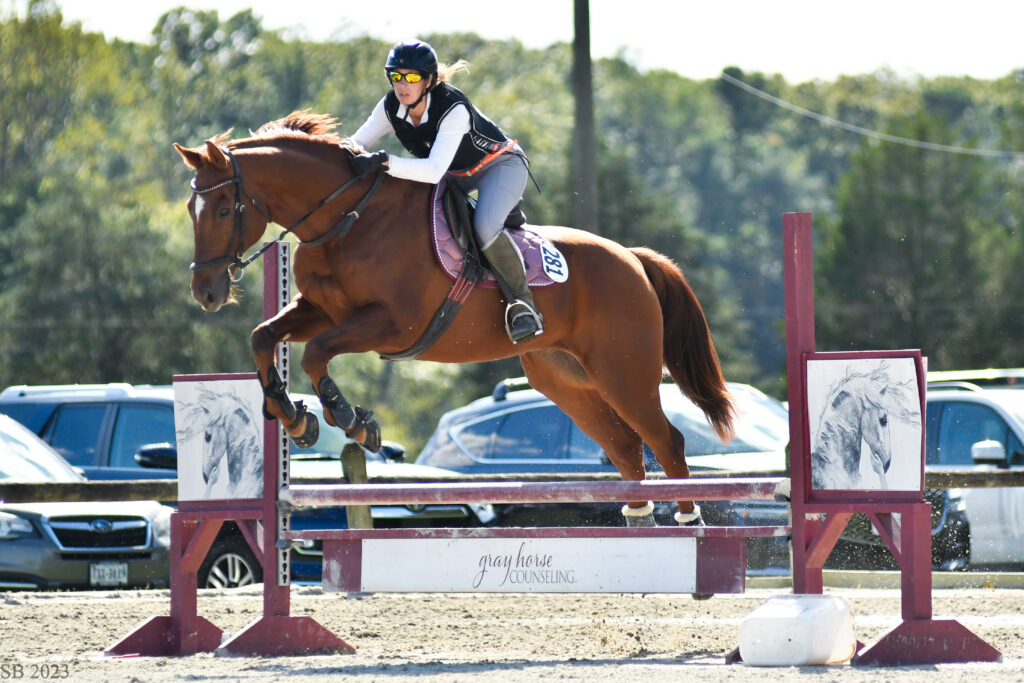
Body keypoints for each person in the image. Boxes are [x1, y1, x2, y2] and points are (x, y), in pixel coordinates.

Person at [349, 40, 543, 344]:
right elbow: (356, 143)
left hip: (500, 165)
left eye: (411, 77)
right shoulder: (390, 106)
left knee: (484, 225)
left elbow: (432, 170)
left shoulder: (452, 107)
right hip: (456, 174)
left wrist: (384, 162)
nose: (402, 84)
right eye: (396, 76)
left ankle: (524, 306)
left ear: (428, 80)